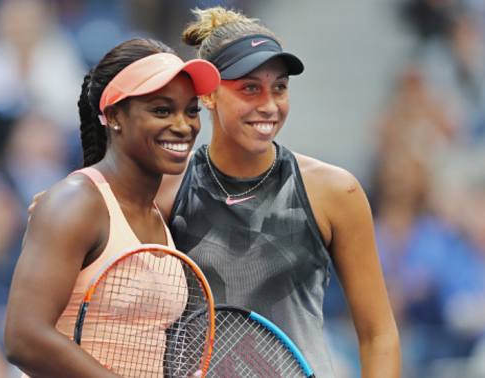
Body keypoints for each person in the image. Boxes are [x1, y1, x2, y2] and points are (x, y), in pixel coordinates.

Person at [28, 7, 401, 378]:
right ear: (208, 97)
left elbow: (378, 335)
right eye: (249, 88)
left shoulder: (337, 191)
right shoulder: (163, 192)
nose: (269, 106)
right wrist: (61, 208)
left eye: (280, 88)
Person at [4, 38, 220, 378]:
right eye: (162, 110)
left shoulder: (159, 216)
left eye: (191, 110)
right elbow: (24, 339)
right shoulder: (76, 202)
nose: (183, 125)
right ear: (115, 116)